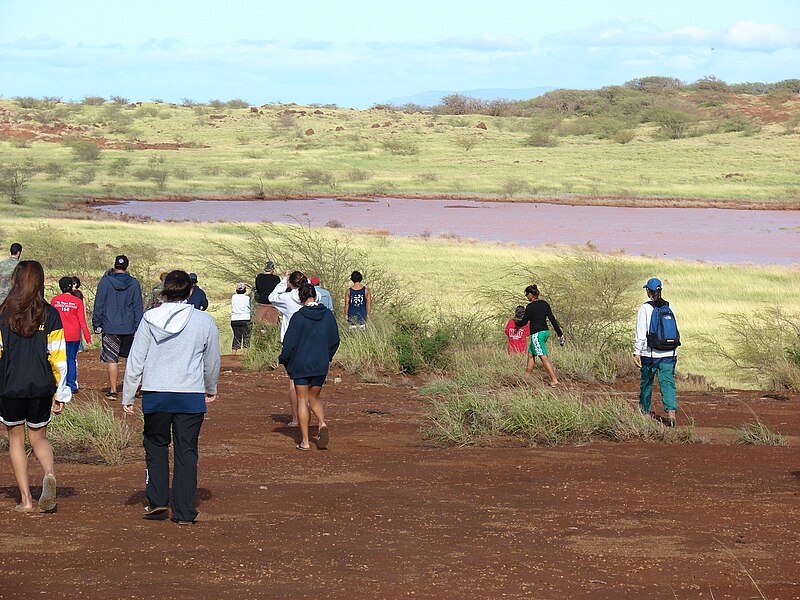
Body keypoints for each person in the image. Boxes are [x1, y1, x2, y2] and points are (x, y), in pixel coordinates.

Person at [121, 270, 220, 524]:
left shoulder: (149, 318)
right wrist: (211, 387)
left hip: (156, 394)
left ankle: (157, 501)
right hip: (190, 396)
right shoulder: (203, 321)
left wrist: (128, 395)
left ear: (165, 291)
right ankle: (185, 511)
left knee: (156, 447)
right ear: (190, 291)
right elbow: (211, 361)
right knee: (187, 451)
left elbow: (136, 359)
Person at [0, 260, 71, 513]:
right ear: (40, 282)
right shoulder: (50, 314)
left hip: (9, 386)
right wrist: (62, 392)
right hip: (42, 385)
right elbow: (59, 357)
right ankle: (49, 473)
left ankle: (26, 500)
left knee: (16, 440)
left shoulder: (3, 313)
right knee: (39, 437)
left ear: (16, 280)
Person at [279, 283, 340, 451]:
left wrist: (284, 359)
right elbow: (335, 340)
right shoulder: (327, 315)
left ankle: (305, 441)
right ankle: (322, 423)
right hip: (320, 364)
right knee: (315, 397)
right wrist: (326, 356)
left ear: (301, 298)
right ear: (316, 296)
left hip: (301, 365)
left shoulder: (298, 317)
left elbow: (289, 344)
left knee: (302, 400)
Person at [92, 255, 144, 400]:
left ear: (114, 266)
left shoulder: (105, 282)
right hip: (129, 327)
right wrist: (138, 327)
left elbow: (99, 305)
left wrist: (97, 324)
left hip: (109, 327)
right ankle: (132, 389)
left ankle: (113, 390)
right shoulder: (134, 283)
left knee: (112, 359)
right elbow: (138, 307)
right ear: (127, 267)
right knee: (131, 359)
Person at [634, 278, 679, 427]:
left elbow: (641, 333)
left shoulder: (645, 308)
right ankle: (671, 415)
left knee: (647, 383)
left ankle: (645, 414)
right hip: (669, 353)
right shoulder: (669, 305)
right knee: (667, 383)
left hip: (650, 354)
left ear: (648, 291)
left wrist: (637, 352)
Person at [269, 270, 307, 427]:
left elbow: (272, 297)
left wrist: (284, 280)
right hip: (308, 340)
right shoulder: (311, 296)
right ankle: (310, 416)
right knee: (309, 381)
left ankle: (296, 418)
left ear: (291, 283)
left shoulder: (286, 298)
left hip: (291, 341)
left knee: (293, 381)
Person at [515, 284, 565, 386]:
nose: (526, 296)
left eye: (526, 294)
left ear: (531, 294)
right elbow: (552, 319)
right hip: (545, 333)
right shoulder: (544, 304)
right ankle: (526, 378)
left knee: (543, 357)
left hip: (536, 335)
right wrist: (559, 333)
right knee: (531, 354)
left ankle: (554, 380)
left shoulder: (530, 307)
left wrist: (516, 323)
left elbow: (524, 322)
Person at [51, 276, 92, 393]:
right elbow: (82, 321)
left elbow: (50, 318)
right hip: (74, 335)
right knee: (71, 359)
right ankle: (71, 385)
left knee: (58, 359)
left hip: (59, 335)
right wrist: (87, 338)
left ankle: (59, 383)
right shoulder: (77, 301)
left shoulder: (55, 300)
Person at [230, 282, 251, 354]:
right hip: (246, 319)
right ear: (245, 290)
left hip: (235, 319)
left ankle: (233, 354)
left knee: (236, 336)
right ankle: (246, 354)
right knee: (247, 336)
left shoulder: (234, 297)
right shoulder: (247, 298)